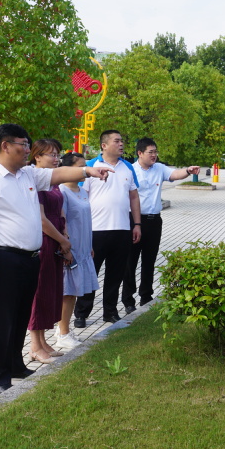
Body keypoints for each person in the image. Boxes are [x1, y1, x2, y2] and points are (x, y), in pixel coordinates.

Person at [0, 124, 112, 395]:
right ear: (5, 146)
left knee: (21, 315)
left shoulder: (28, 174)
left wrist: (88, 171)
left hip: (31, 258)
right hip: (4, 258)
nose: (27, 149)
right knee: (1, 320)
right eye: (23, 144)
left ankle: (15, 365)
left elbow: (58, 173)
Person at [122, 137, 200, 311]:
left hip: (154, 221)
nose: (154, 155)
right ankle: (128, 300)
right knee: (130, 261)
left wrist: (188, 170)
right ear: (140, 153)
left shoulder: (159, 168)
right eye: (151, 152)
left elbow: (175, 174)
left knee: (149, 260)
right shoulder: (130, 170)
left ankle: (146, 296)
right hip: (134, 221)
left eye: (155, 152)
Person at [73, 130, 142, 326]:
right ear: (104, 145)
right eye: (116, 141)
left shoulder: (128, 167)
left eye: (122, 141)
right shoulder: (89, 166)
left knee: (116, 274)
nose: (121, 144)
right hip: (95, 230)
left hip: (122, 229)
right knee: (90, 273)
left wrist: (137, 224)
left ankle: (110, 311)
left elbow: (134, 197)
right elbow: (80, 197)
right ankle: (81, 313)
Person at [26, 139, 70, 364]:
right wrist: (62, 240)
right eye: (51, 154)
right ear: (37, 156)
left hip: (57, 240)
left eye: (57, 155)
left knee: (52, 292)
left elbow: (61, 211)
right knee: (40, 293)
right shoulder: (35, 181)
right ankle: (35, 346)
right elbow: (41, 220)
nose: (56, 159)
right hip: (45, 241)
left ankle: (43, 342)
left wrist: (65, 236)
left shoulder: (53, 181)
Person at [54, 152, 99, 350]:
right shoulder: (62, 191)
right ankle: (63, 332)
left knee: (74, 291)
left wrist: (89, 245)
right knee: (68, 292)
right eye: (81, 167)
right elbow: (61, 222)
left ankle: (63, 329)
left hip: (83, 248)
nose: (85, 170)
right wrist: (66, 247)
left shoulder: (82, 190)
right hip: (70, 249)